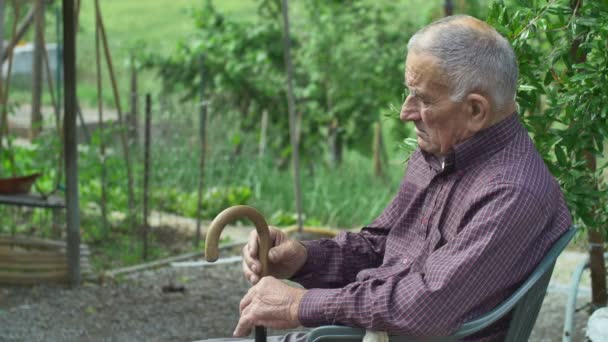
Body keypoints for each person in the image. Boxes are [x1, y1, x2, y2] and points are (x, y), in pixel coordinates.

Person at [231, 14, 572, 341]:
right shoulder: (441, 152)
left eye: (422, 99)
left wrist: (299, 304)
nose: (406, 112)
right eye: (409, 92)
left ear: (475, 110)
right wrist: (304, 259)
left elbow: (426, 306)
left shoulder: (511, 193)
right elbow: (381, 247)